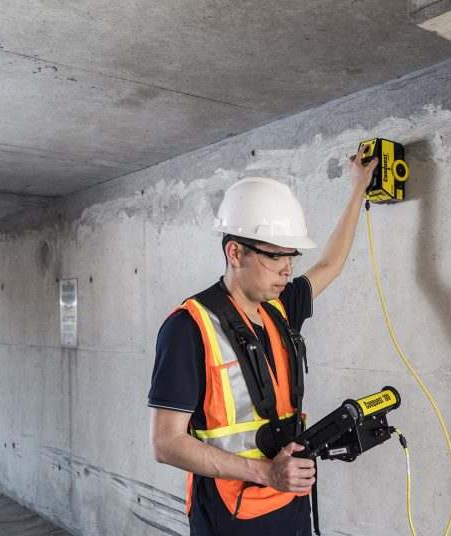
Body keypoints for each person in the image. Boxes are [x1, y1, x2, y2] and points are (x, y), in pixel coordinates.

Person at [148, 154, 377, 536]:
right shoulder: (188, 328)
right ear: (235, 252)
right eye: (275, 256)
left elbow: (331, 264)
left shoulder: (280, 309)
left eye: (291, 257)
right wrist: (267, 473)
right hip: (229, 517)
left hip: (290, 504)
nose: (288, 269)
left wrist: (358, 189)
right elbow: (166, 443)